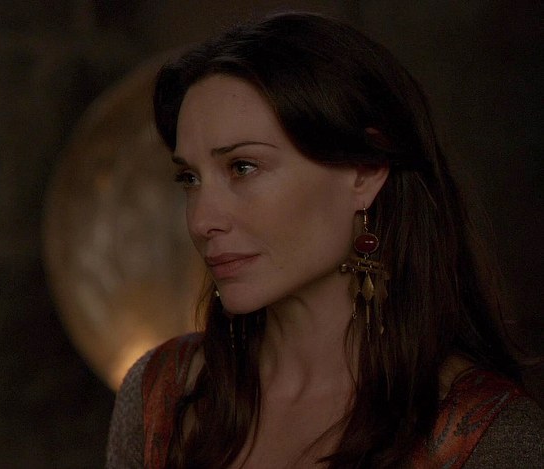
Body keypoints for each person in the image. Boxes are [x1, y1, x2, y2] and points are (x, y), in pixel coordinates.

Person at [105, 12, 544, 469]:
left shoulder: (487, 436)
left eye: (242, 167)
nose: (201, 220)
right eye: (190, 178)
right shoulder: (160, 396)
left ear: (365, 171)